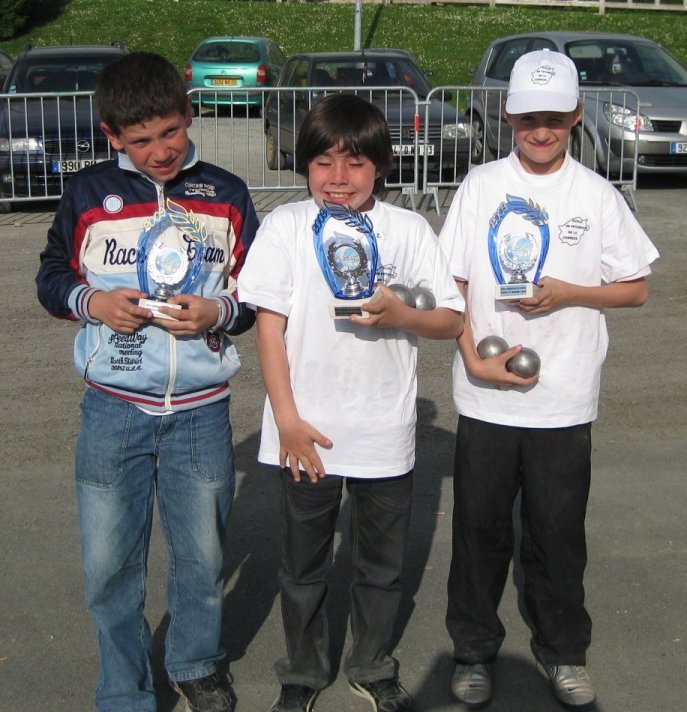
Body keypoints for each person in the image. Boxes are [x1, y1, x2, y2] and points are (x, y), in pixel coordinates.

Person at [35, 51, 258, 712]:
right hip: (112, 408)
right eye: (140, 140)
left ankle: (194, 661)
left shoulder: (227, 193)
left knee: (202, 555)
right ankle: (125, 686)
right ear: (112, 137)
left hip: (201, 411)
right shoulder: (87, 194)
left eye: (170, 132)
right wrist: (90, 302)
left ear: (188, 115)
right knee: (109, 566)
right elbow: (51, 277)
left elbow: (256, 297)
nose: (160, 151)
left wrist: (218, 312)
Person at [438, 49, 659, 710]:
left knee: (557, 535)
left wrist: (569, 293)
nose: (540, 131)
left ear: (575, 115)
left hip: (563, 402)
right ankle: (473, 651)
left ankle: (562, 651)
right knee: (478, 534)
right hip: (485, 395)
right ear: (507, 115)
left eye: (554, 119)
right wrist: (472, 355)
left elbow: (636, 290)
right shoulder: (479, 185)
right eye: (528, 117)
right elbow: (451, 284)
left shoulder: (594, 195)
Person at [237, 93, 464, 712]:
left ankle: (372, 664)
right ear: (304, 165)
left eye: (356, 164)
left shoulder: (409, 230)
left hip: (383, 431)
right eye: (323, 164)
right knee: (303, 565)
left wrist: (402, 312)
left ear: (381, 167)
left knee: (381, 566)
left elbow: (448, 320)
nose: (339, 179)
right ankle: (304, 673)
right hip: (305, 429)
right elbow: (268, 326)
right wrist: (286, 420)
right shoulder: (285, 226)